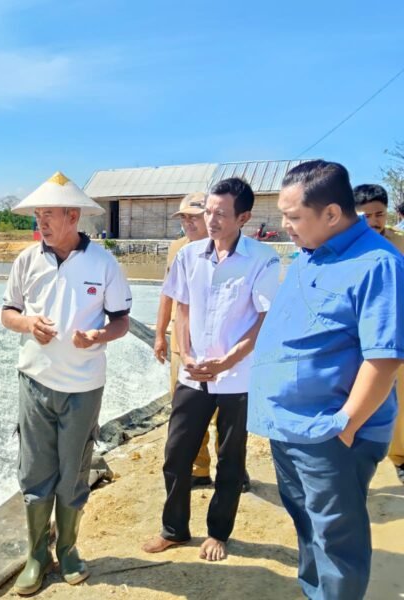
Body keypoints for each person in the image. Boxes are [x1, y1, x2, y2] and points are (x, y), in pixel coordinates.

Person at [249, 161, 404, 599]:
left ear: (332, 213)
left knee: (337, 541)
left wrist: (346, 425)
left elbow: (384, 358)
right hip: (290, 426)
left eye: (293, 217)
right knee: (308, 529)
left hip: (330, 433)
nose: (284, 226)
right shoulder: (309, 254)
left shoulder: (377, 265)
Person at [1, 172, 132, 595]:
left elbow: (121, 321)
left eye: (49, 214)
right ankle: (38, 554)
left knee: (74, 470)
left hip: (84, 385)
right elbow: (8, 314)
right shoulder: (26, 261)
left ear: (73, 215)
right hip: (36, 381)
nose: (42, 222)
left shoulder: (104, 263)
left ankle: (70, 549)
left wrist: (99, 335)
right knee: (35, 470)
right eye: (38, 215)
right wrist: (27, 322)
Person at [143, 178, 280, 562]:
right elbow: (181, 306)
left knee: (230, 456)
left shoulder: (263, 259)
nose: (211, 219)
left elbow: (264, 319)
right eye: (208, 211)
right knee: (176, 453)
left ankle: (218, 532)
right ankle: (174, 528)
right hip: (193, 372)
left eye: (220, 213)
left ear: (244, 217)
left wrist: (229, 359)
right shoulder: (189, 256)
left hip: (237, 376)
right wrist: (184, 352)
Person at [153, 192, 220, 487]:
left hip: (220, 344)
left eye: (194, 217)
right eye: (184, 218)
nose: (188, 223)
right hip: (183, 343)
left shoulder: (227, 249)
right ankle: (199, 468)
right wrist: (159, 335)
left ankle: (232, 467)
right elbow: (168, 293)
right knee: (186, 408)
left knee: (224, 410)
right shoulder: (177, 249)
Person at [354, 183, 404, 485]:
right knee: (358, 395)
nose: (374, 221)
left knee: (399, 395)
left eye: (379, 214)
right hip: (357, 334)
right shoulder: (346, 244)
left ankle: (399, 457)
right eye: (366, 216)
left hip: (396, 331)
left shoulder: (400, 243)